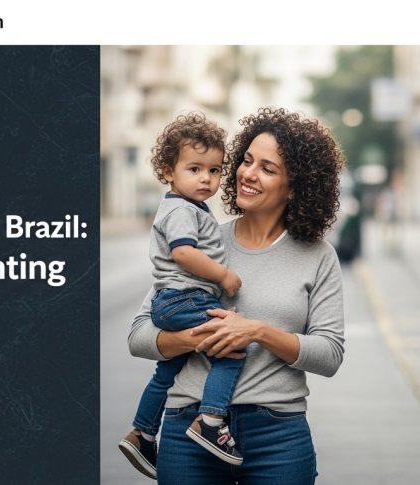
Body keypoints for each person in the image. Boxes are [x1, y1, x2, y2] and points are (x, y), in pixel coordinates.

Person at [128, 107, 346, 484]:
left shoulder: (318, 256)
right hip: (187, 428)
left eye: (268, 168)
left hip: (278, 436)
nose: (248, 173)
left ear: (295, 186)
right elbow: (138, 337)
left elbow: (329, 355)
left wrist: (256, 332)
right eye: (246, 160)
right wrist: (195, 338)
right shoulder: (202, 240)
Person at [118, 113, 245, 479]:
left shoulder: (189, 207)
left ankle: (142, 432)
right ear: (168, 170)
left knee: (166, 371)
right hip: (187, 299)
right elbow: (184, 254)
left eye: (215, 170)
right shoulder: (181, 210)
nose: (206, 178)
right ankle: (211, 420)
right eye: (194, 169)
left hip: (173, 301)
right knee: (233, 348)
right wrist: (223, 275)